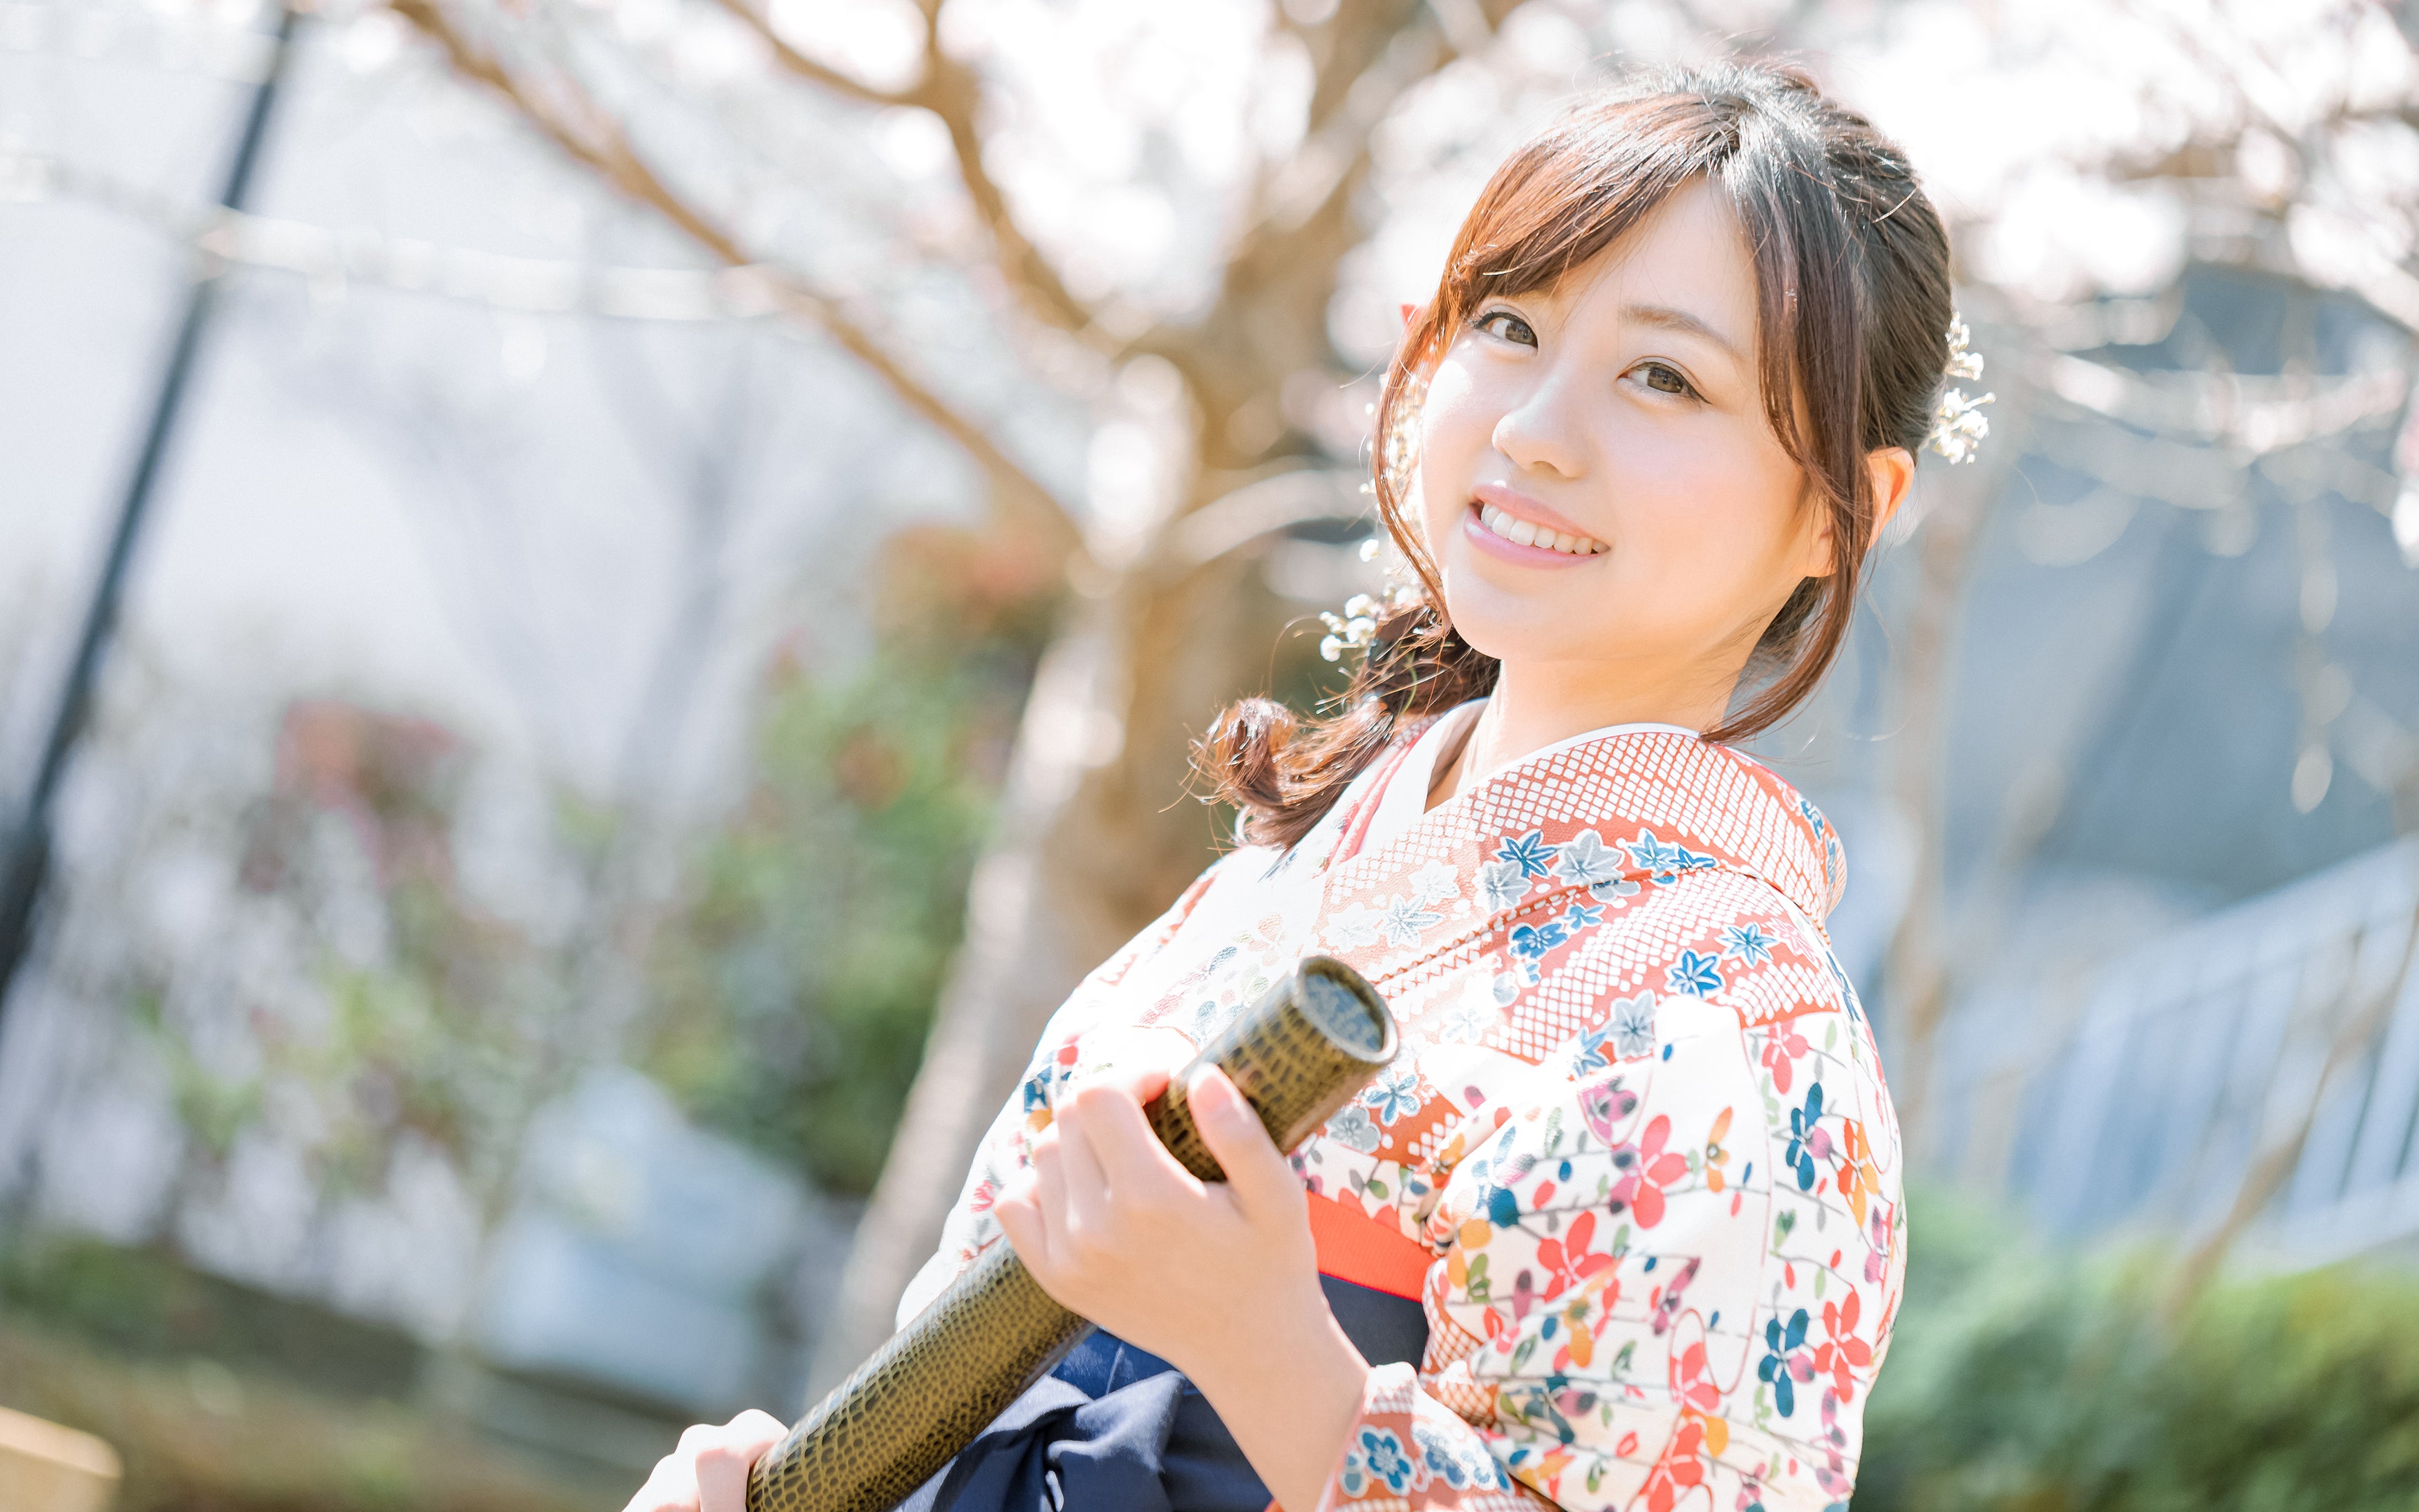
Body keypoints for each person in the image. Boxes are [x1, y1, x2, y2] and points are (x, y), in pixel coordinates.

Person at [631, 57, 1982, 1512]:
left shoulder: (1736, 1034)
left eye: (1663, 374)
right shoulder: (1274, 882)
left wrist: (1272, 1352)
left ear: (1847, 507)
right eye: (1511, 325)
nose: (1535, 425)